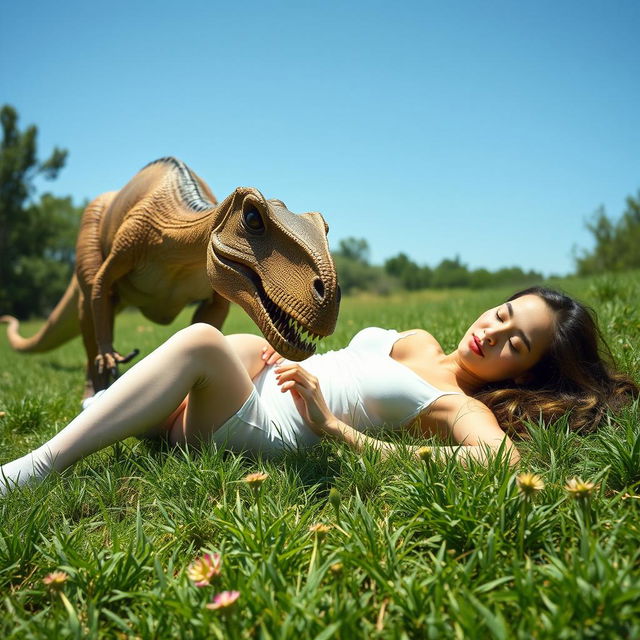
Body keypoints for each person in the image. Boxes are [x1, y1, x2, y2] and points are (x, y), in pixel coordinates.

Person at [1, 287, 637, 494]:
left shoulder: (462, 407)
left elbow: (503, 466)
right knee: (239, 345)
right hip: (253, 391)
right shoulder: (416, 339)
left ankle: (34, 468)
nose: (493, 333)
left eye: (516, 344)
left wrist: (340, 431)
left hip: (276, 431)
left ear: (523, 374)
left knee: (201, 342)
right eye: (503, 315)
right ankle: (126, 412)